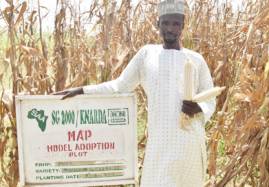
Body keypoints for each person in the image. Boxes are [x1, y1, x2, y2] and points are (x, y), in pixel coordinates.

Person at [55, 0, 216, 186]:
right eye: (165, 23)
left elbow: (210, 99)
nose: (170, 29)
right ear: (157, 24)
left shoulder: (196, 60)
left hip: (188, 141)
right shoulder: (147, 54)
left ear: (183, 26)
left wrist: (198, 108)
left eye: (175, 23)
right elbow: (120, 86)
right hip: (160, 143)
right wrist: (82, 90)